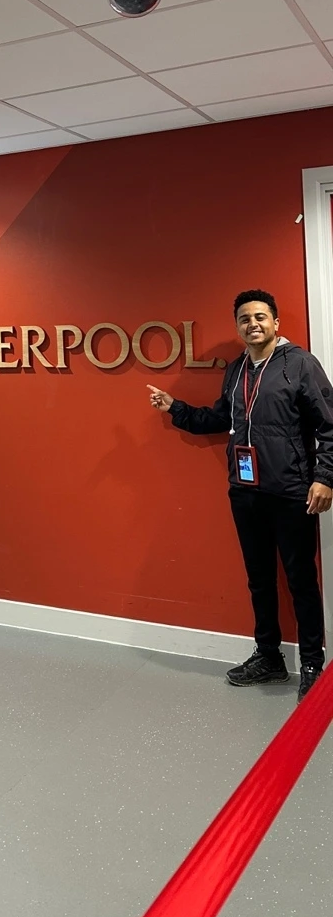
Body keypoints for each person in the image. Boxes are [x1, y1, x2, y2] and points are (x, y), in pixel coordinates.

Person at [148, 290, 333, 703]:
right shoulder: (236, 370)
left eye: (261, 317)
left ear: (276, 323)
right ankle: (268, 657)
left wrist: (325, 477)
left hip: (291, 491)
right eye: (245, 319)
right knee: (259, 578)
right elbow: (220, 417)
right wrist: (175, 408)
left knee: (301, 580)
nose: (253, 324)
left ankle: (311, 665)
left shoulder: (300, 364)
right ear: (238, 327)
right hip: (245, 491)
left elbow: (330, 425)